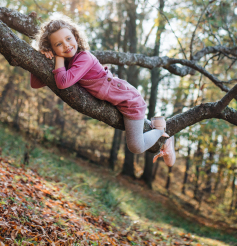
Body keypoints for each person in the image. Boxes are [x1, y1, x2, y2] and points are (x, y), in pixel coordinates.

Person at [29, 15, 175, 167]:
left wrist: (57, 58)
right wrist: (42, 57)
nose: (66, 45)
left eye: (68, 38)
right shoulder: (67, 63)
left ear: (76, 37)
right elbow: (35, 83)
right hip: (119, 99)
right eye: (58, 44)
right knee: (136, 143)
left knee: (136, 146)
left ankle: (162, 133)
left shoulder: (84, 57)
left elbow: (62, 83)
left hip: (129, 101)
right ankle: (158, 124)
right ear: (51, 48)